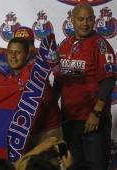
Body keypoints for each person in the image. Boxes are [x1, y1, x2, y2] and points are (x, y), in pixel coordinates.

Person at [55, 3, 117, 170]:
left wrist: (96, 113)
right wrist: (52, 108)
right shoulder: (64, 45)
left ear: (94, 21)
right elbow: (59, 80)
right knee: (72, 166)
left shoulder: (101, 44)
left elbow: (109, 80)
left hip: (93, 121)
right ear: (72, 20)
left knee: (94, 166)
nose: (85, 23)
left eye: (89, 19)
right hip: (69, 120)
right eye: (81, 19)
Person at [5, 37, 62, 149]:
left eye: (18, 52)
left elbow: (56, 68)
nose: (13, 56)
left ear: (27, 55)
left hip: (48, 131)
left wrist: (49, 40)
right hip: (25, 134)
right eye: (10, 52)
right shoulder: (8, 78)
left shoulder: (36, 70)